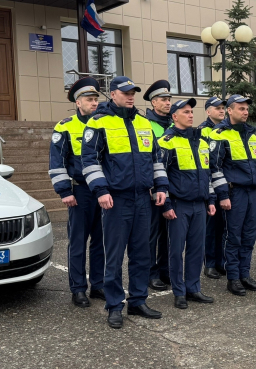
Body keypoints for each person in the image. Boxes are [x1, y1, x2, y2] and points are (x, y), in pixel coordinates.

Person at [81, 76, 169, 329]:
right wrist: (100, 190)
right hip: (116, 200)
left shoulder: (143, 122)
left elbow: (156, 160)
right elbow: (90, 160)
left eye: (133, 92)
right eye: (126, 92)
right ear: (113, 94)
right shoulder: (98, 122)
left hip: (143, 198)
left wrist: (161, 186)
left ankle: (138, 300)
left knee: (142, 254)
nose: (131, 96)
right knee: (115, 256)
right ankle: (114, 305)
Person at [49, 77, 105, 308]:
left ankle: (99, 285)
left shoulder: (105, 124)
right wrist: (65, 191)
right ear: (78, 103)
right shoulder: (65, 127)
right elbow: (57, 162)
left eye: (95, 99)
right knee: (78, 242)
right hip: (80, 192)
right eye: (89, 100)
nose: (94, 103)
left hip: (103, 192)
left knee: (101, 242)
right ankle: (78, 289)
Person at [157, 98, 216, 309]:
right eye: (185, 112)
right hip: (178, 205)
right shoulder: (166, 140)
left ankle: (193, 288)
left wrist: (210, 199)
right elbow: (159, 174)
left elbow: (206, 174)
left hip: (199, 204)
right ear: (174, 117)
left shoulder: (201, 142)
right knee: (176, 250)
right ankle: (179, 291)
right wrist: (166, 205)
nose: (191, 115)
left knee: (196, 249)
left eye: (192, 112)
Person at [208, 94, 256, 296]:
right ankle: (233, 277)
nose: (246, 111)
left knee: (250, 234)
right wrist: (223, 195)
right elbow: (214, 168)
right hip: (234, 192)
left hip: (251, 192)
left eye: (246, 108)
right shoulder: (219, 133)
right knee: (233, 236)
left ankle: (245, 274)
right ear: (230, 110)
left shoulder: (252, 134)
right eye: (241, 108)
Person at [143, 80, 174, 291]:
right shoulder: (146, 124)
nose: (168, 103)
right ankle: (151, 273)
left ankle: (166, 271)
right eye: (163, 99)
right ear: (154, 103)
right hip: (154, 187)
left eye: (169, 99)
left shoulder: (174, 124)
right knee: (151, 234)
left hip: (174, 186)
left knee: (168, 233)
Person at [198, 96, 227, 279]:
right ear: (208, 111)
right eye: (217, 108)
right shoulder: (203, 130)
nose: (222, 110)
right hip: (210, 184)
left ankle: (220, 261)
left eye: (223, 107)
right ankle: (209, 264)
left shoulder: (226, 129)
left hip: (224, 182)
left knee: (223, 226)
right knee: (211, 227)